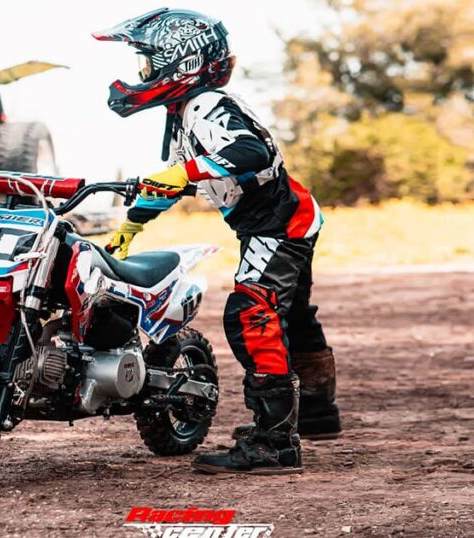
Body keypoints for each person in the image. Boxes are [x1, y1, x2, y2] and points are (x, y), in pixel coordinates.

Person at [94, 7, 340, 475]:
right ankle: (316, 413)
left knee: (252, 314)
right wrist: (132, 225)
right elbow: (172, 181)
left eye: (148, 62)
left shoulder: (207, 105)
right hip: (287, 216)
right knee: (292, 314)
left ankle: (275, 443)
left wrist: (181, 171)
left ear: (180, 62)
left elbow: (250, 151)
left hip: (277, 222)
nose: (141, 74)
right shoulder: (185, 114)